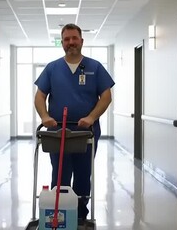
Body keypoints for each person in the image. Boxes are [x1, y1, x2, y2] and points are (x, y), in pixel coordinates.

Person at [34, 23, 115, 220]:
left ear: (81, 41)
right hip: (57, 131)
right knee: (60, 173)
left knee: (83, 173)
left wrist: (91, 117)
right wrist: (45, 117)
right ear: (62, 43)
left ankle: (79, 214)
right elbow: (39, 96)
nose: (71, 42)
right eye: (67, 39)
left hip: (85, 132)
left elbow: (106, 97)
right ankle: (59, 213)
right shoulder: (52, 68)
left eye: (74, 38)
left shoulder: (94, 67)